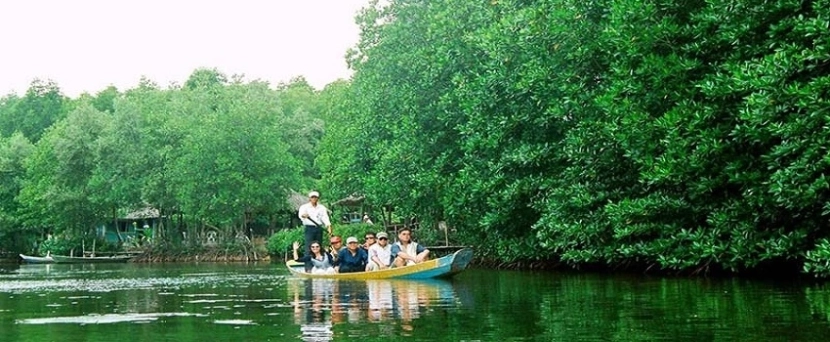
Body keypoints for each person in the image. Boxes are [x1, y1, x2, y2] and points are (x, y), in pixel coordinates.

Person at [298, 191, 332, 257]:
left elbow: (325, 218)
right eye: (312, 197)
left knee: (318, 245)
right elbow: (301, 215)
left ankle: (318, 261)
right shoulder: (304, 207)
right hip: (309, 228)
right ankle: (308, 263)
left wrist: (329, 227)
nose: (314, 198)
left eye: (315, 197)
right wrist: (304, 215)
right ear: (310, 198)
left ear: (318, 198)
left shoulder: (322, 208)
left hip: (319, 228)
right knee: (309, 246)